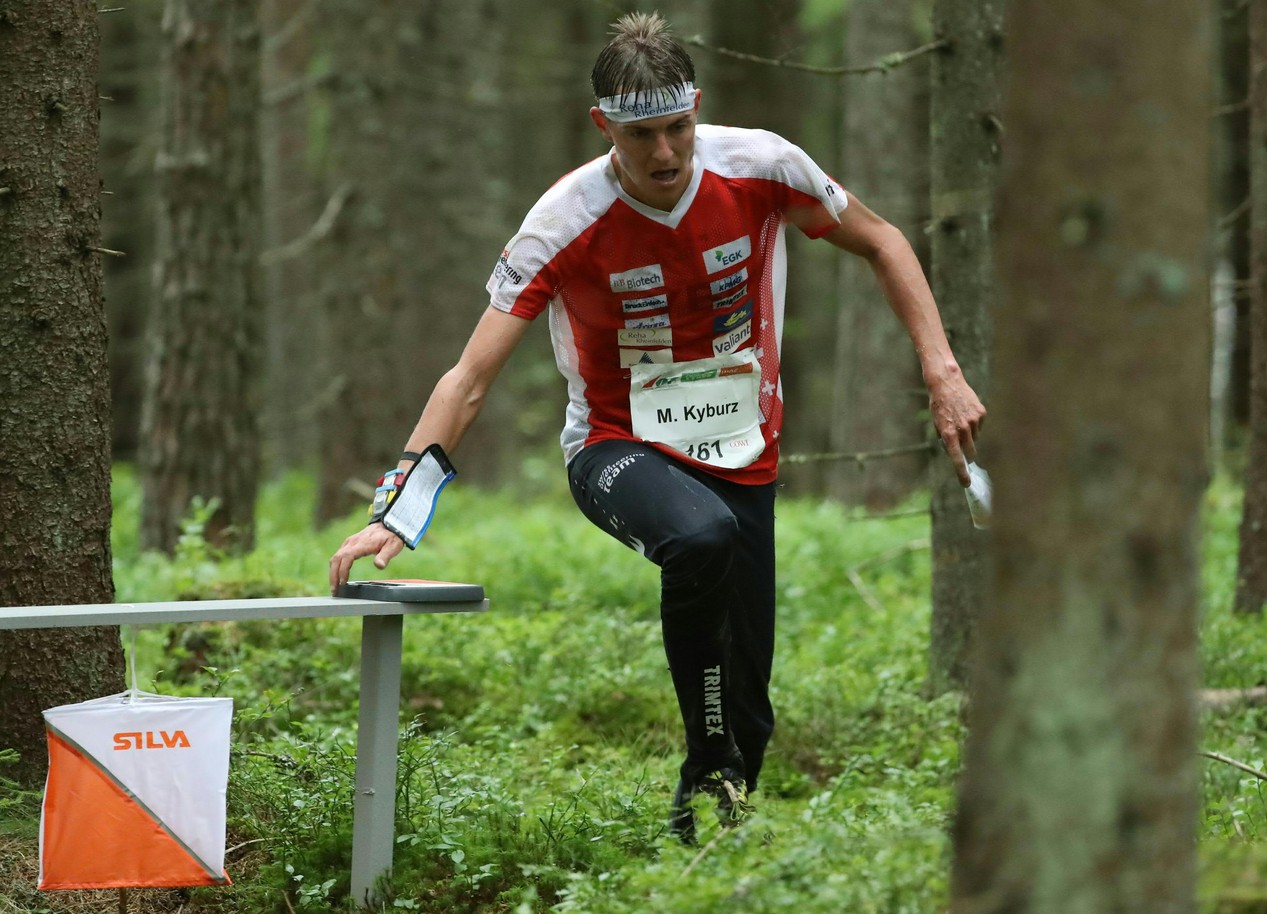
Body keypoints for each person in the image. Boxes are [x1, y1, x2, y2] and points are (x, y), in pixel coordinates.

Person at [328, 11, 985, 844]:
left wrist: (943, 369)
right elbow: (468, 379)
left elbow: (885, 241)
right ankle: (704, 765)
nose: (666, 154)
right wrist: (399, 510)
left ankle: (702, 835)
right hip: (615, 448)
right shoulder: (561, 222)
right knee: (700, 538)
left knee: (753, 718)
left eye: (679, 128)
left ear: (698, 109)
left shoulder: (764, 165)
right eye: (643, 135)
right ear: (603, 125)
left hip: (743, 452)